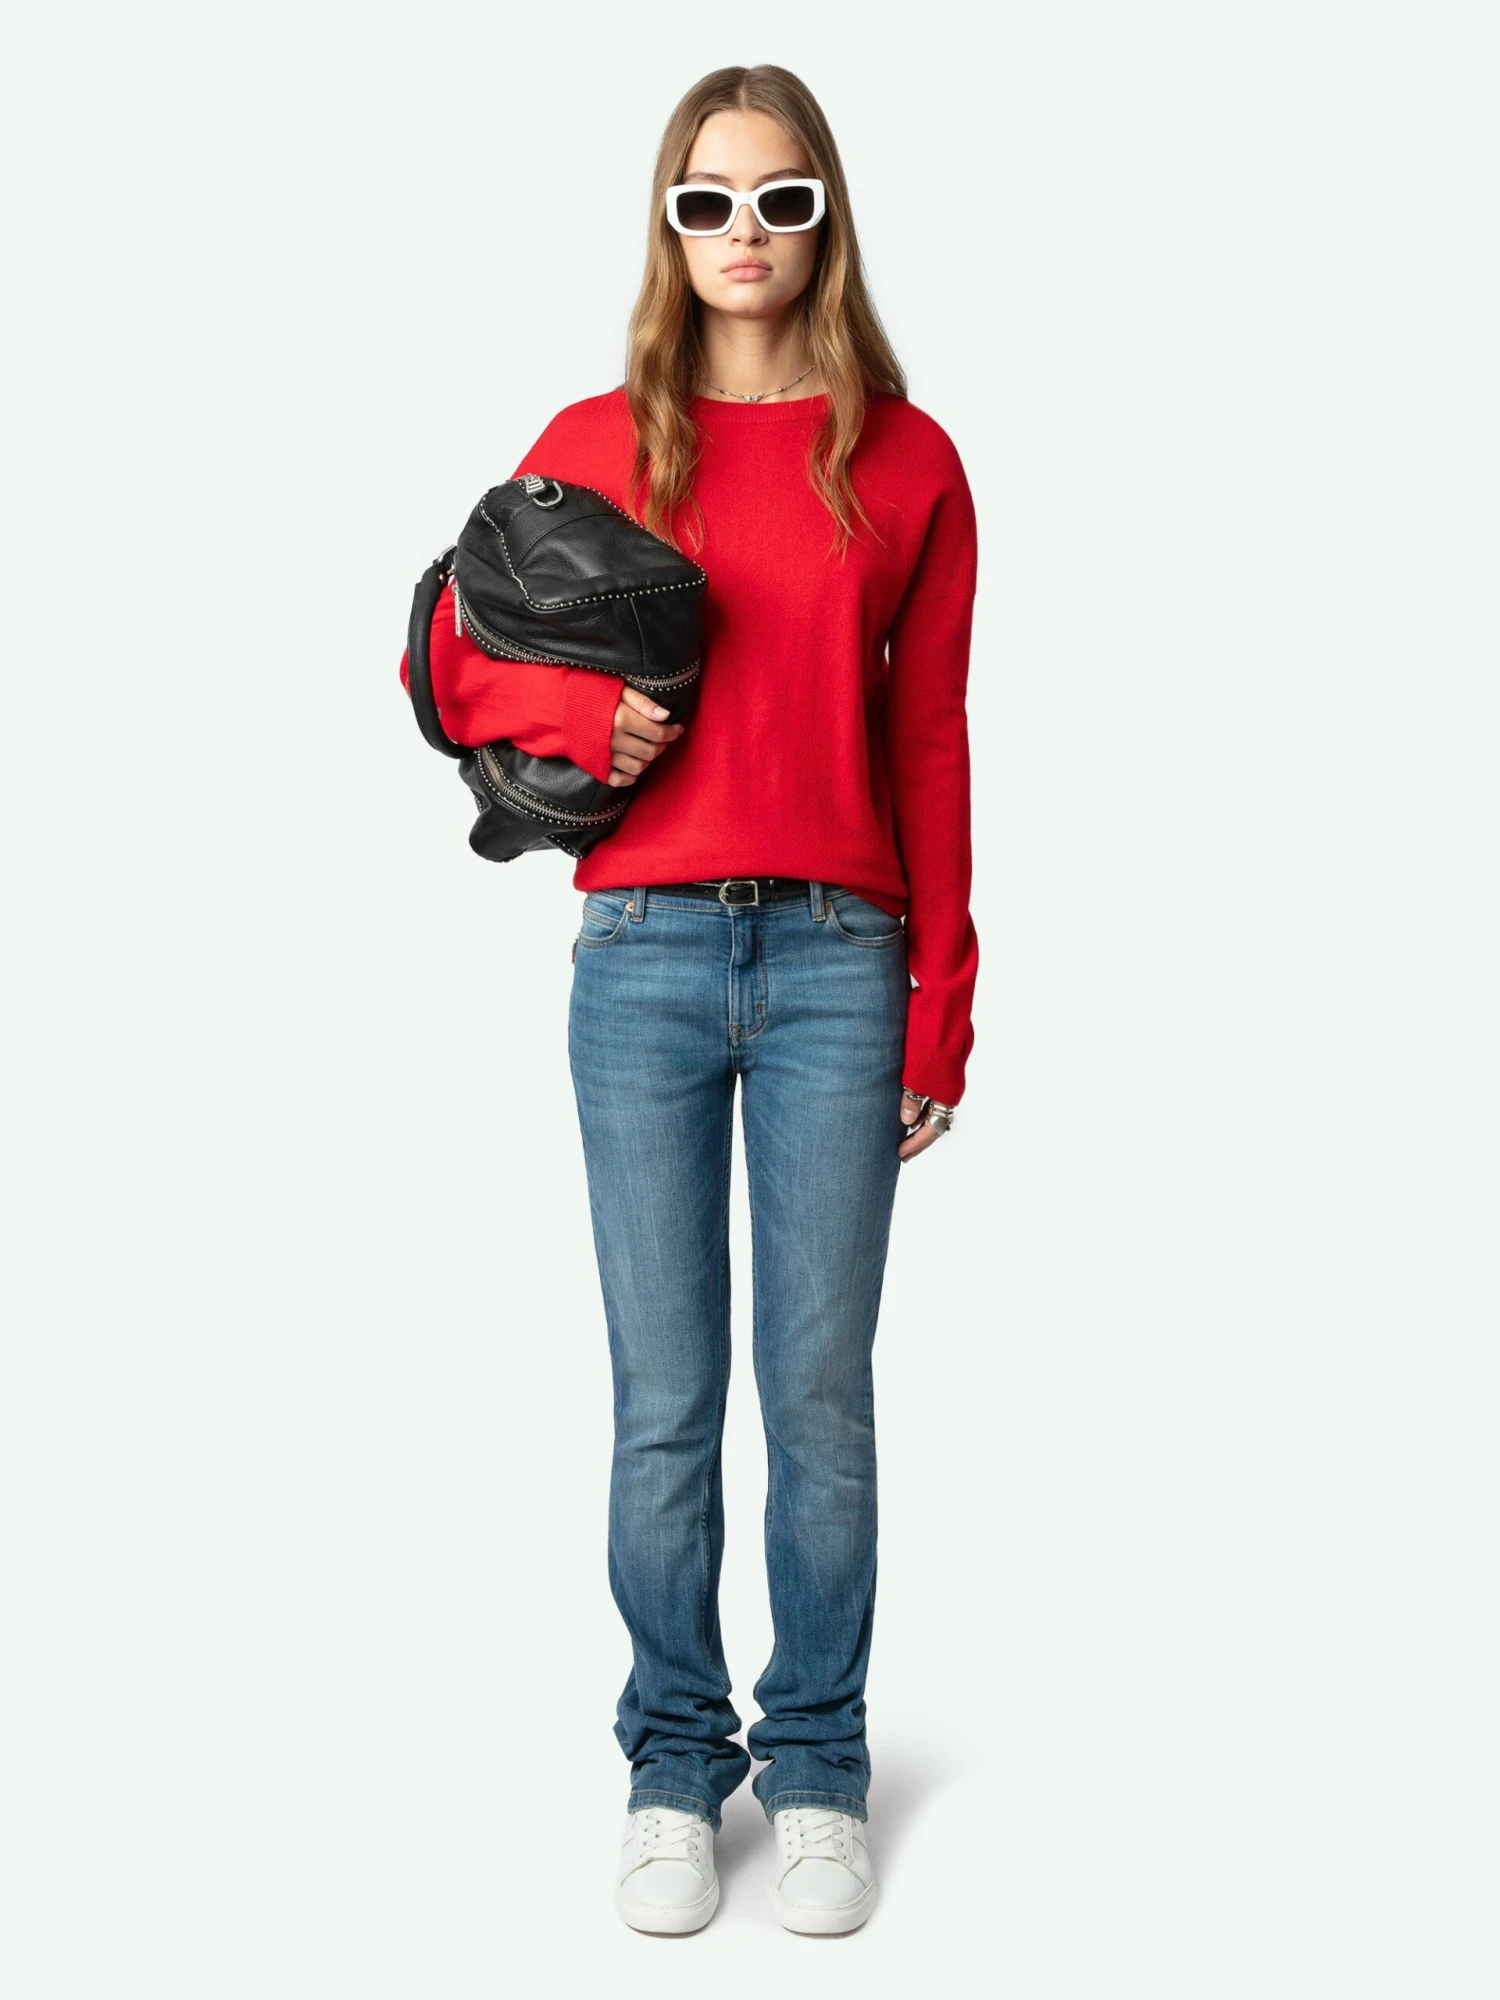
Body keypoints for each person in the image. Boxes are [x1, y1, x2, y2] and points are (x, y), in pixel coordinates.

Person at [399, 63, 979, 1936]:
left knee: (819, 1401)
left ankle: (816, 1768)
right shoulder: (595, 438)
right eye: (708, 199)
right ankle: (670, 1765)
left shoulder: (907, 461)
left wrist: (942, 1008)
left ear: (828, 219)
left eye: (781, 199)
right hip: (640, 959)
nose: (745, 232)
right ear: (667, 221)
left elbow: (930, 737)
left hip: (840, 965)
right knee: (664, 1403)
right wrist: (587, 717)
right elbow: (443, 656)